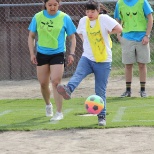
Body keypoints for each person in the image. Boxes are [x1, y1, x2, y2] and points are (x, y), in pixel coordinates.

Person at [56, 0, 122, 126]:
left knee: (100, 90)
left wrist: (108, 31)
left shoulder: (103, 19)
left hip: (103, 60)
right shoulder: (83, 20)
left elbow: (119, 28)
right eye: (87, 11)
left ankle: (101, 116)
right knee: (78, 74)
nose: (90, 14)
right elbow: (80, 33)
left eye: (92, 11)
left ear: (98, 11)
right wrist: (87, 43)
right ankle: (68, 90)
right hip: (87, 57)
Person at [28, 0, 76, 121]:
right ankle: (48, 104)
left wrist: (71, 53)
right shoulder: (37, 17)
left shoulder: (64, 17)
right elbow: (31, 36)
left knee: (56, 82)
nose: (52, 7)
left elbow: (72, 37)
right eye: (50, 5)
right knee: (43, 83)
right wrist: (32, 53)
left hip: (58, 53)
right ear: (45, 5)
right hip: (42, 53)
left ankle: (59, 112)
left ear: (59, 4)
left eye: (55, 5)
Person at [114, 0, 153, 98]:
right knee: (128, 65)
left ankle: (143, 90)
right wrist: (118, 35)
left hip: (142, 37)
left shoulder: (142, 2)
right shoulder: (119, 3)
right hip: (127, 37)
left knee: (142, 64)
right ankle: (128, 91)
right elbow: (116, 20)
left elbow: (150, 18)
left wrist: (147, 35)